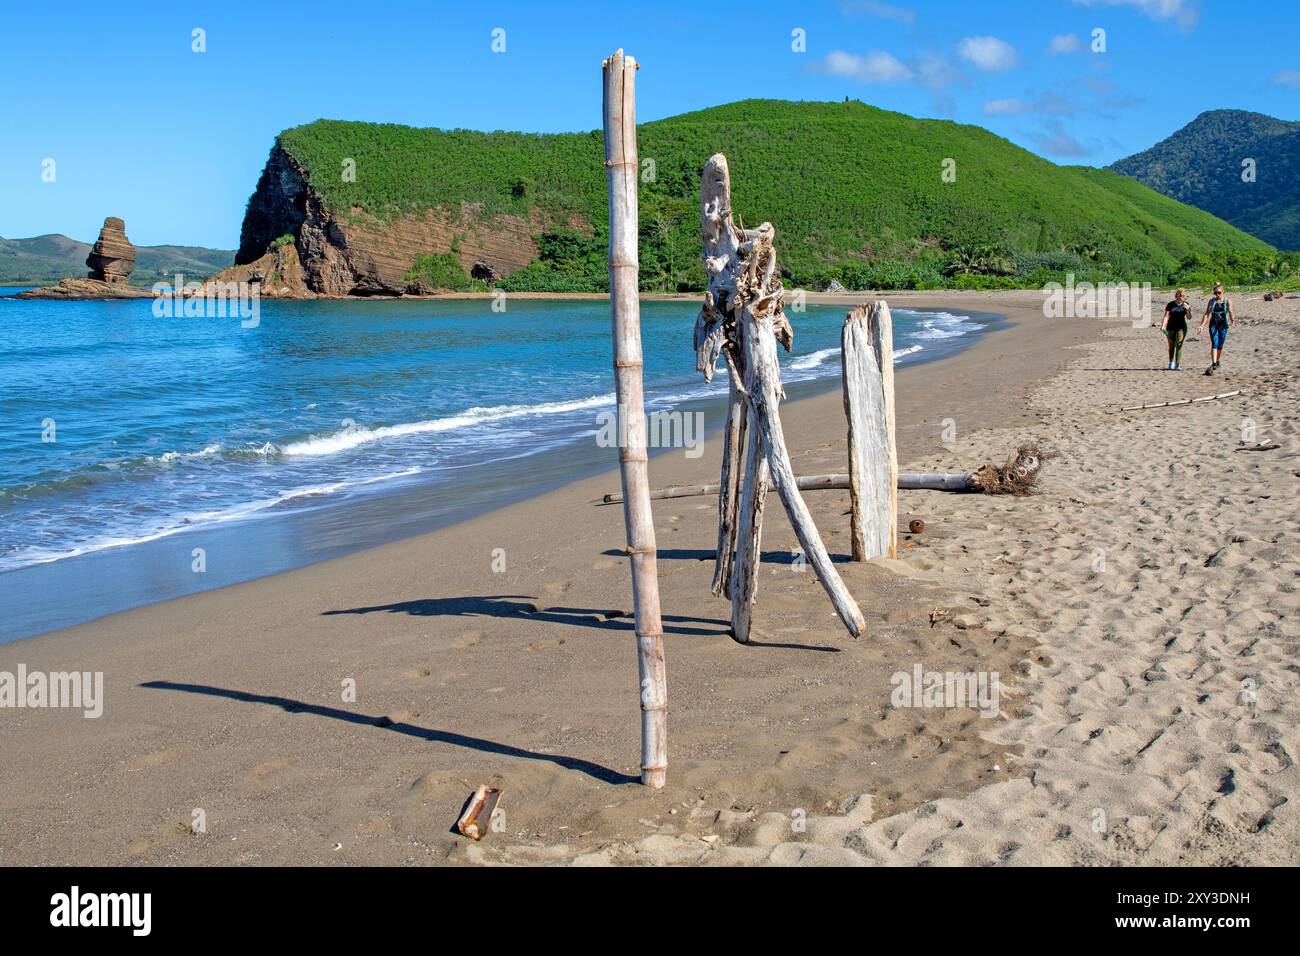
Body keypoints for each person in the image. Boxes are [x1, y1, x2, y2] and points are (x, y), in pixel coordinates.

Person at [1198, 283, 1234, 373]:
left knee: (1220, 344)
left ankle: (1217, 361)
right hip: (1213, 325)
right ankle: (1214, 363)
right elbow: (1207, 313)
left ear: (1223, 292)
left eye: (1219, 293)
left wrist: (1232, 319)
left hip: (1223, 325)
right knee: (1215, 342)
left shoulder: (1227, 301)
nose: (1217, 295)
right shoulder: (1211, 302)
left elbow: (1230, 311)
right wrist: (1202, 325)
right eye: (1215, 293)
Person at [1160, 289, 1190, 370]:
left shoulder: (1186, 304)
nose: (1180, 297)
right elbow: (1166, 316)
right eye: (1179, 295)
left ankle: (1177, 364)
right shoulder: (1171, 304)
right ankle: (1171, 363)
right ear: (1176, 295)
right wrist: (1163, 325)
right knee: (1171, 345)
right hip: (1170, 327)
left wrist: (1188, 310)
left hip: (1181, 328)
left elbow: (1189, 317)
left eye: (1182, 296)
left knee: (1179, 345)